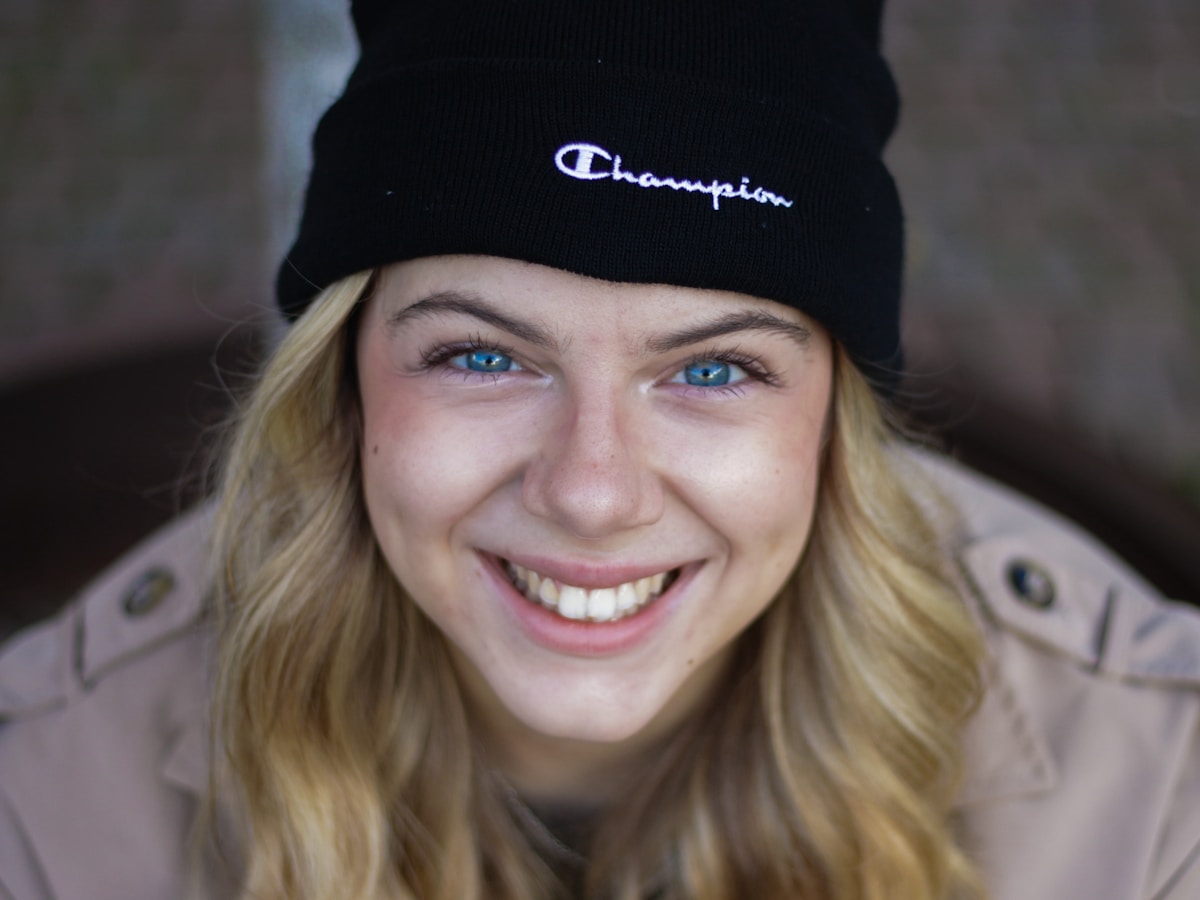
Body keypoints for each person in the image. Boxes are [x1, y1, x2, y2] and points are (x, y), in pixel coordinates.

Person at [2, 1, 1199, 898]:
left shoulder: (1158, 796)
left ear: (836, 418)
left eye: (713, 370)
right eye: (483, 355)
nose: (590, 491)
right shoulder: (42, 802)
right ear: (343, 390)